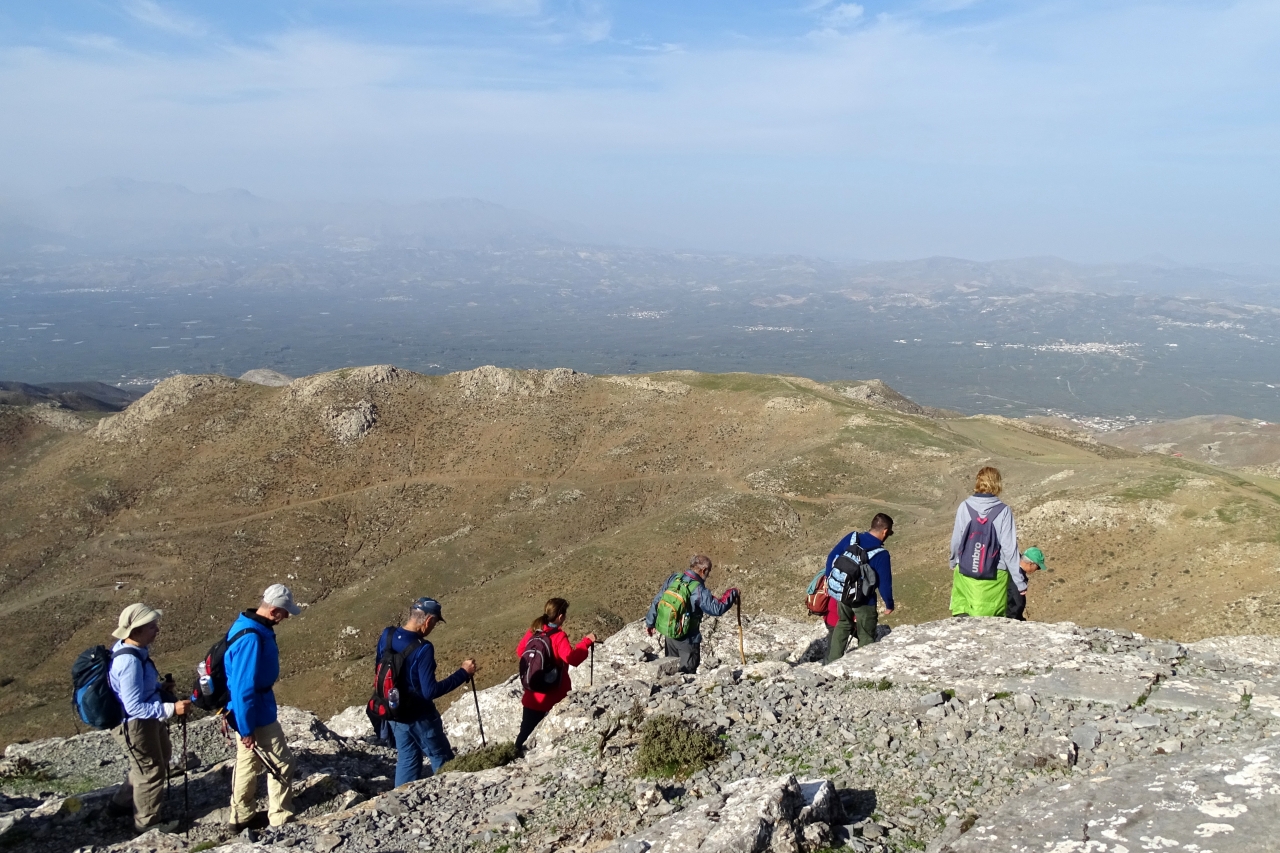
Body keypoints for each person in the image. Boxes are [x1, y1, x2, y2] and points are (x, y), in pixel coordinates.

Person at [105, 603, 191, 834]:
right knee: (150, 770)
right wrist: (171, 709)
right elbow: (133, 706)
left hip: (145, 719)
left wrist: (159, 688)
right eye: (152, 626)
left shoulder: (132, 651)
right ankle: (148, 825)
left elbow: (134, 693)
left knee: (156, 760)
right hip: (135, 724)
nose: (157, 629)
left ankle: (120, 805)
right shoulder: (130, 661)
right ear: (136, 631)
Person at [375, 597, 476, 787]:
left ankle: (399, 803)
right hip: (420, 716)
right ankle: (453, 795)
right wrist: (463, 673)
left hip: (393, 712)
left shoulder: (387, 635)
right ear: (428, 620)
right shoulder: (423, 648)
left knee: (408, 758)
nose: (433, 628)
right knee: (442, 757)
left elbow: (378, 670)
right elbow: (430, 691)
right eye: (435, 623)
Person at [225, 584, 301, 831]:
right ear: (275, 610)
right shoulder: (252, 637)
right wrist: (246, 729)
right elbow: (243, 686)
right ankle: (281, 818)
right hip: (255, 710)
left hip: (247, 709)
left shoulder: (246, 626)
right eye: (285, 612)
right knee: (282, 762)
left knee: (247, 761)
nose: (287, 617)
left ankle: (241, 816)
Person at [514, 598, 596, 753]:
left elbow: (520, 652)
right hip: (553, 697)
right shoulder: (559, 636)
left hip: (531, 696)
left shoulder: (533, 630)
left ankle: (510, 759)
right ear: (560, 616)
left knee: (524, 735)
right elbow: (572, 658)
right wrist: (585, 642)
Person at [949, 467, 1026, 617]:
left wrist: (953, 561)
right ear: (997, 484)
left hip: (965, 571)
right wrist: (1019, 582)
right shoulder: (1004, 511)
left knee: (963, 616)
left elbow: (956, 540)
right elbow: (1009, 550)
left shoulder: (964, 506)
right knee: (991, 623)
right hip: (995, 575)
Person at [644, 555, 738, 674]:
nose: (708, 575)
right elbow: (716, 608)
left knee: (671, 670)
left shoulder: (674, 578)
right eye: (709, 571)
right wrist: (732, 593)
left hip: (669, 633)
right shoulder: (697, 589)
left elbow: (658, 600)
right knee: (687, 675)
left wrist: (650, 622)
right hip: (688, 639)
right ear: (703, 570)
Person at [823, 513, 895, 663]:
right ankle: (863, 666)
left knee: (843, 624)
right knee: (866, 635)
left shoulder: (852, 537)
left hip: (843, 593)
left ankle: (831, 662)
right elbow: (884, 583)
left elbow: (832, 556)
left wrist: (828, 579)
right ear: (885, 531)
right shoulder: (882, 554)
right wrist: (889, 604)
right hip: (864, 600)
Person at [1006, 547, 1046, 621]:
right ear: (1031, 564)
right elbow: (1016, 603)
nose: (1036, 570)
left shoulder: (1011, 568)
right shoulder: (1018, 577)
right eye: (1037, 567)